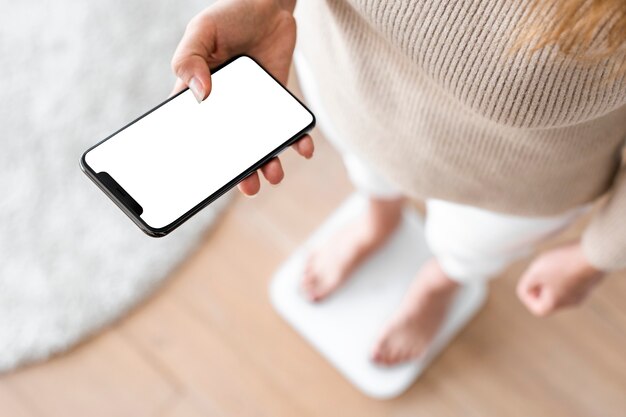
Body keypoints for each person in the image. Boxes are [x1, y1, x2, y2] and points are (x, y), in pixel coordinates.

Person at [171, 0, 626, 366]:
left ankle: (440, 283)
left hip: (516, 184)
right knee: (367, 170)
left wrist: (599, 254)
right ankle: (377, 220)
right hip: (351, 90)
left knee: (467, 248)